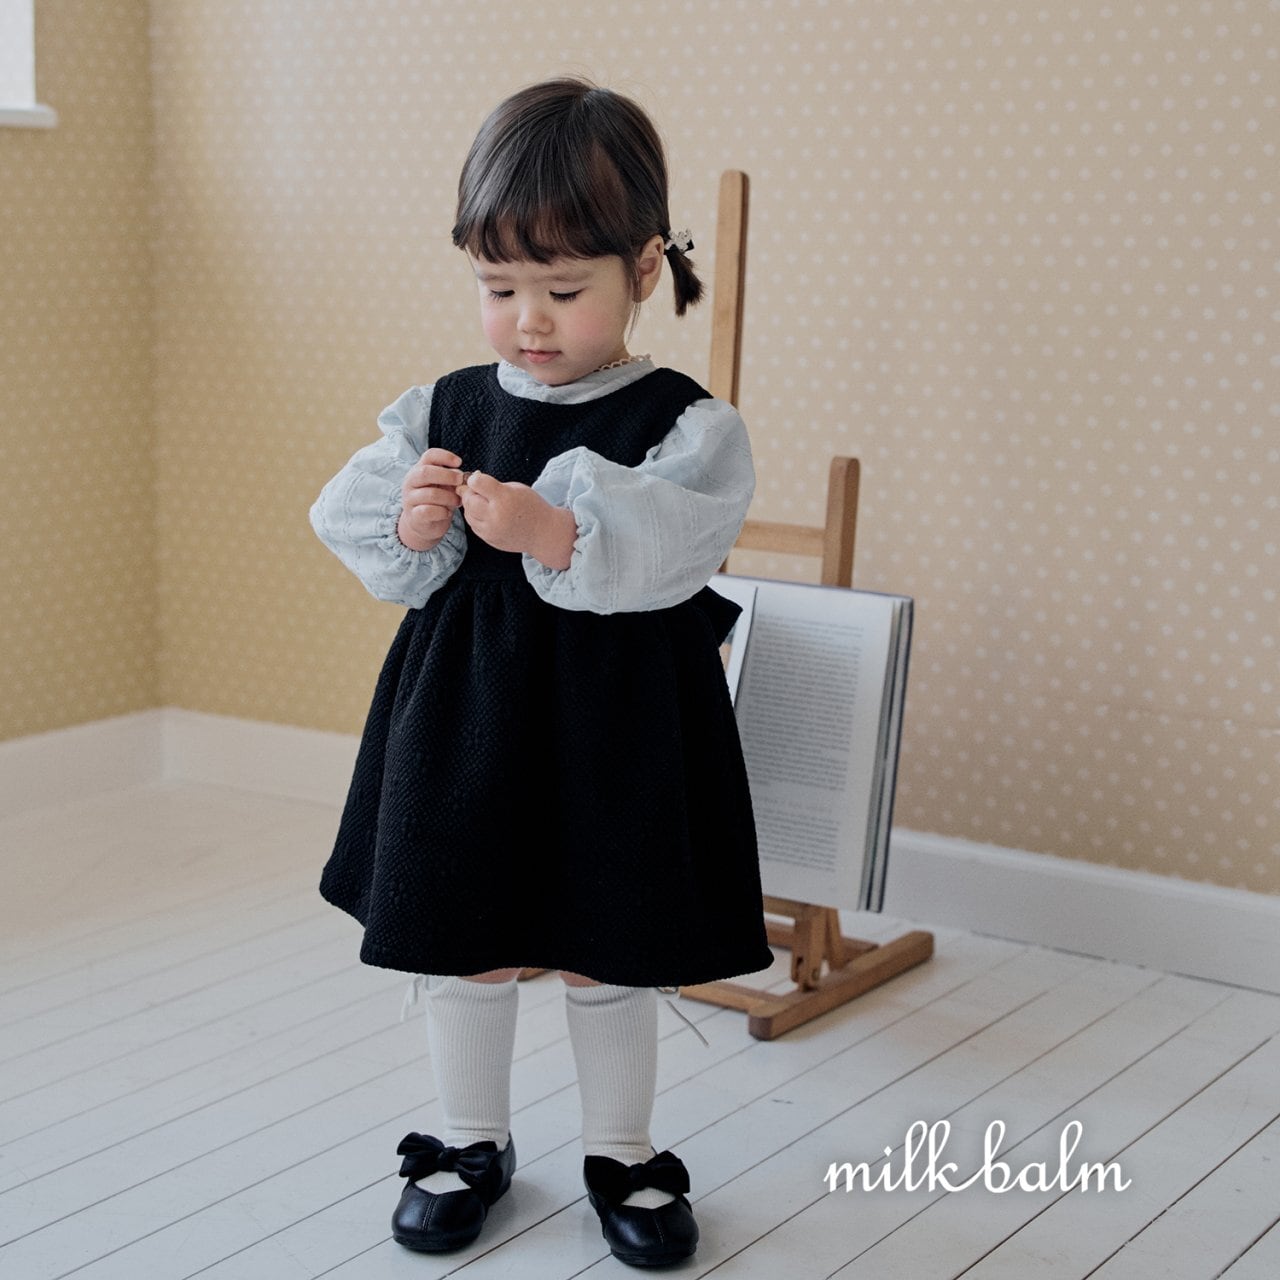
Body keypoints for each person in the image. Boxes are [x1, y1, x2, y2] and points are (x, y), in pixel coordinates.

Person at [310, 76, 772, 1268]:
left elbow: (677, 540)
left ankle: (621, 1147)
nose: (528, 320)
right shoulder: (443, 407)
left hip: (617, 722)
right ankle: (470, 1137)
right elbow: (360, 521)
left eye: (563, 290)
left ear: (643, 267)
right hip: (466, 711)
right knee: (462, 924)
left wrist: (554, 531)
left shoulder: (682, 423)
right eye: (498, 286)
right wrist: (413, 523)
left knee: (604, 935)